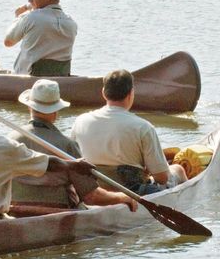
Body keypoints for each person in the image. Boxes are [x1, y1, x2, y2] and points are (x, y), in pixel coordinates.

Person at [9, 79, 139, 212]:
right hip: (59, 212)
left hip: (16, 210)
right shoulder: (67, 145)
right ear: (55, 112)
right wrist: (123, 197)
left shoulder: (11, 139)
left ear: (30, 107)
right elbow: (91, 196)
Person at [72, 69, 187, 195]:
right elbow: (162, 178)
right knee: (178, 170)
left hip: (93, 191)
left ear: (104, 93)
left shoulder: (80, 121)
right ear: (131, 94)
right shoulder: (143, 127)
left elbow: (73, 163)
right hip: (132, 193)